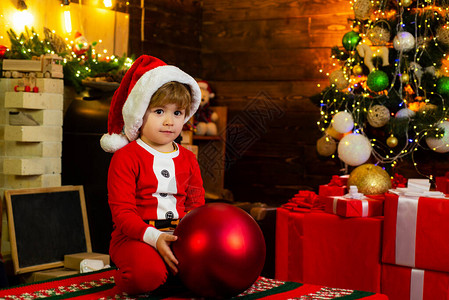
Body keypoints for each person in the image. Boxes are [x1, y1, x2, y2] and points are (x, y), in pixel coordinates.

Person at [100, 55, 205, 295]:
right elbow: (123, 213)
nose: (169, 122)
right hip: (135, 237)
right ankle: (131, 270)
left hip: (178, 236)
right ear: (139, 113)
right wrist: (155, 238)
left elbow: (196, 204)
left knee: (212, 269)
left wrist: (191, 240)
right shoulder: (126, 157)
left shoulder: (188, 159)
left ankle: (170, 277)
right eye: (159, 111)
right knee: (145, 276)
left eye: (178, 113)